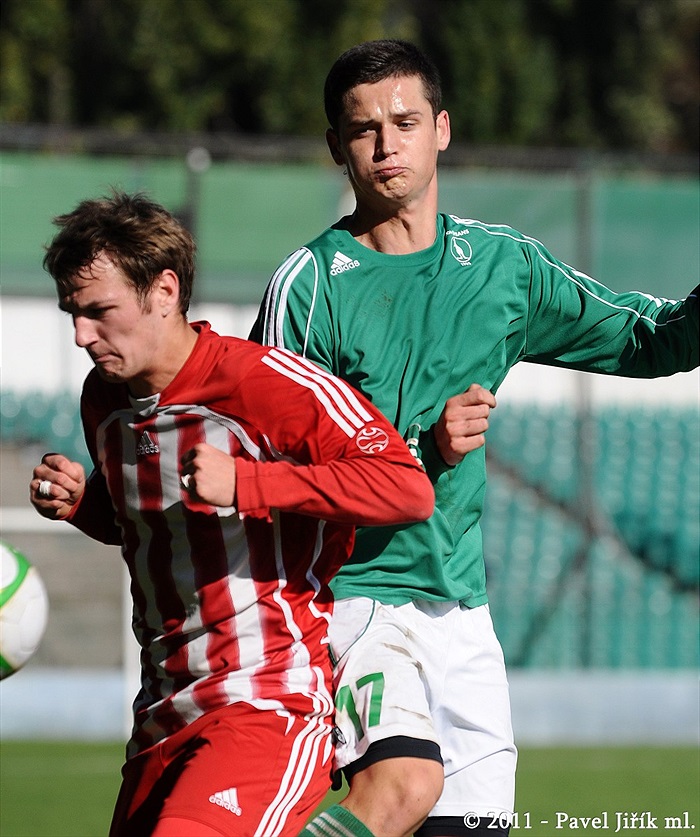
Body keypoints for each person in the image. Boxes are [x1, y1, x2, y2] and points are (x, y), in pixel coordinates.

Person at [250, 39, 700, 837]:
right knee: (396, 791)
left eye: (406, 121)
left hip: (461, 612)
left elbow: (650, 340)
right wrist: (425, 451)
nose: (387, 145)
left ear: (443, 130)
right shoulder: (309, 285)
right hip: (351, 603)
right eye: (364, 130)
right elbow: (271, 470)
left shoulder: (503, 269)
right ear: (336, 148)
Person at [29, 190, 434, 837]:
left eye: (99, 312)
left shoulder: (264, 384)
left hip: (263, 703)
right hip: (161, 719)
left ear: (164, 291)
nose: (81, 335)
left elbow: (406, 488)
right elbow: (154, 532)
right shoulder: (102, 400)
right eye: (74, 314)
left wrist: (248, 481)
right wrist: (83, 505)